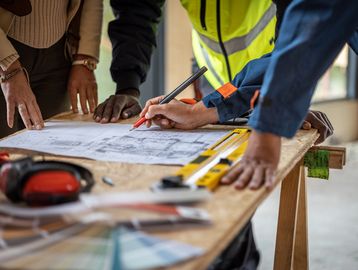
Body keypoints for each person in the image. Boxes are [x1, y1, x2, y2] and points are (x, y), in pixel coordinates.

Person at [141, 0, 356, 190]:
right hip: (227, 88)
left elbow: (311, 23)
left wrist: (270, 121)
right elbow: (283, 56)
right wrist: (202, 108)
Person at [93, 0, 277, 123]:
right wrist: (128, 85)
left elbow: (297, 38)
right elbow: (136, 8)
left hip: (278, 78)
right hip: (213, 79)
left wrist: (201, 111)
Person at [0, 0, 103, 138]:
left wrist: (84, 57)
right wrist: (7, 66)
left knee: (54, 152)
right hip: (4, 53)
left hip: (59, 58)